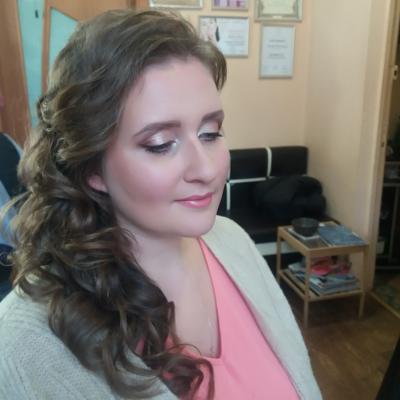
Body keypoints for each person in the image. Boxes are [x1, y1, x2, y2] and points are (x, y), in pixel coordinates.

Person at [0, 9, 321, 400]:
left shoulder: (233, 241)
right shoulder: (23, 345)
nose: (207, 169)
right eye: (160, 144)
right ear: (92, 168)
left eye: (210, 133)